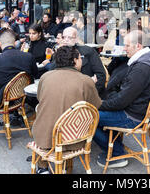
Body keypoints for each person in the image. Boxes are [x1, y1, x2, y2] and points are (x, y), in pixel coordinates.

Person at [93, 30, 150, 168]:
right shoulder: (147, 60)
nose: (124, 49)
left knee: (88, 117)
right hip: (138, 110)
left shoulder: (141, 68)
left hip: (133, 116)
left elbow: (121, 102)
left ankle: (116, 154)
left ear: (138, 46)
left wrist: (98, 105)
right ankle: (114, 147)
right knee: (100, 111)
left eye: (127, 45)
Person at [31, 46, 102, 174]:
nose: (81, 60)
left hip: (45, 137)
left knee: (44, 115)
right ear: (75, 60)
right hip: (75, 138)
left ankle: (42, 168)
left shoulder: (45, 77)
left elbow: (40, 98)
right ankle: (62, 167)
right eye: (80, 58)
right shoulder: (86, 80)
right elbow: (95, 106)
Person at [60, 27, 107, 98]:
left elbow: (101, 75)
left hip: (88, 94)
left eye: (69, 37)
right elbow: (54, 71)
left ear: (76, 39)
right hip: (66, 94)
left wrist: (90, 94)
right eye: (64, 37)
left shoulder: (87, 52)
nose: (66, 40)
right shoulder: (60, 53)